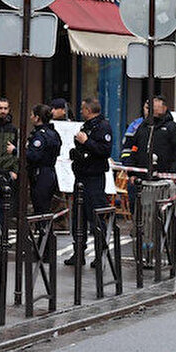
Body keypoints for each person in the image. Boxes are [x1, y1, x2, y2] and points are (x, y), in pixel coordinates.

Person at [65, 98, 112, 266]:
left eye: (83, 108)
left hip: (94, 178)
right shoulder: (86, 126)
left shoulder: (103, 127)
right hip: (81, 176)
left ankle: (100, 255)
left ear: (89, 110)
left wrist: (87, 142)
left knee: (96, 216)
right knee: (78, 216)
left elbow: (105, 150)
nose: (80, 111)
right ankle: (78, 253)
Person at [129, 95, 176, 174]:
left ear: (164, 108)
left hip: (165, 177)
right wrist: (132, 173)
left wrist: (174, 173)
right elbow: (134, 149)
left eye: (156, 106)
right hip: (142, 177)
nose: (154, 109)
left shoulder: (172, 127)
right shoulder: (142, 127)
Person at [27, 104, 62, 215]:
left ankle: (45, 231)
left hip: (40, 174)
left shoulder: (40, 136)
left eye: (32, 115)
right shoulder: (54, 133)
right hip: (51, 172)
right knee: (45, 207)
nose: (30, 117)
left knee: (40, 207)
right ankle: (46, 231)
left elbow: (34, 156)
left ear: (38, 118)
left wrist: (16, 151)